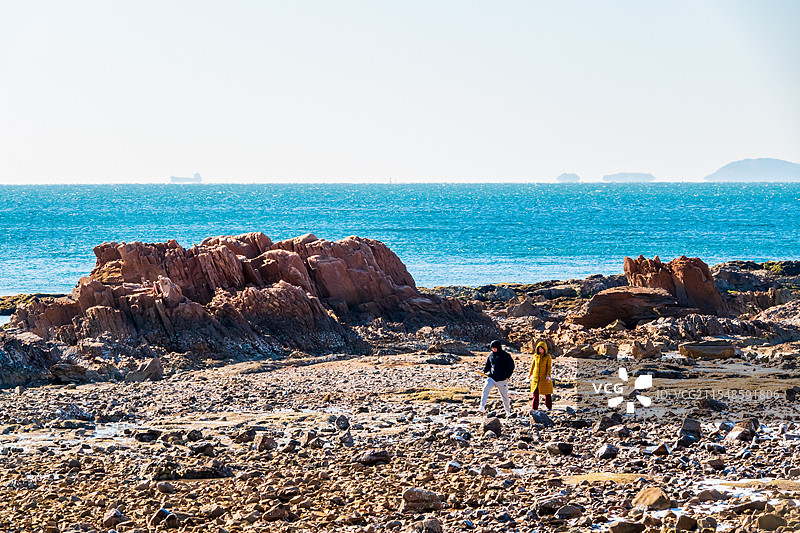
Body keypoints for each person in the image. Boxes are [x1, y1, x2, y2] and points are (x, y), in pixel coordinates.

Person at [479, 340, 515, 416]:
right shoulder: (491, 355)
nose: (494, 350)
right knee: (485, 389)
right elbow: (488, 365)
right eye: (492, 348)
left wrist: (508, 376)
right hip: (492, 378)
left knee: (504, 396)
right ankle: (482, 407)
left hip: (502, 379)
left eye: (495, 348)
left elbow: (511, 366)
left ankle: (508, 412)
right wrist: (484, 372)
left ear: (499, 347)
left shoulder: (506, 355)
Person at [528, 341, 553, 411]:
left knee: (547, 393)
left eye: (542, 349)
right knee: (535, 393)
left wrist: (548, 375)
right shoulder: (535, 356)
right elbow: (533, 365)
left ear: (545, 349)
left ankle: (549, 407)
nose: (540, 351)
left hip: (544, 378)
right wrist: (530, 374)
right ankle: (534, 408)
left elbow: (549, 367)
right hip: (536, 378)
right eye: (539, 349)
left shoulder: (548, 357)